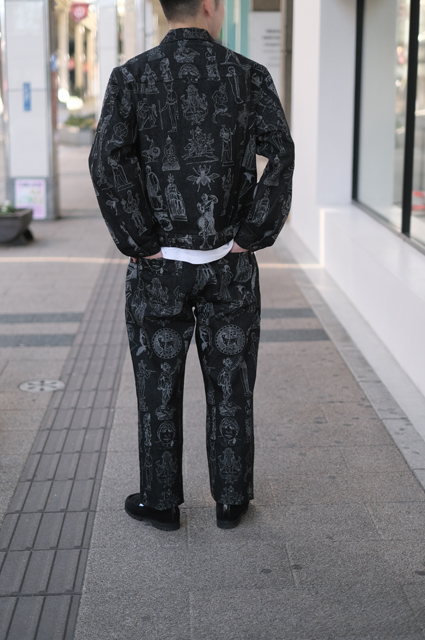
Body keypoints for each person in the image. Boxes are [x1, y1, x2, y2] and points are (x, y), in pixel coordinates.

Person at [89, 0, 294, 531]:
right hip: (230, 264)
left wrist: (139, 240)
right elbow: (281, 151)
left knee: (156, 386)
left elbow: (106, 159)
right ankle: (232, 500)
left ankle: (161, 503)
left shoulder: (131, 77)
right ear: (210, 7)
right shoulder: (248, 75)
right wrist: (252, 234)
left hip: (160, 268)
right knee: (232, 381)